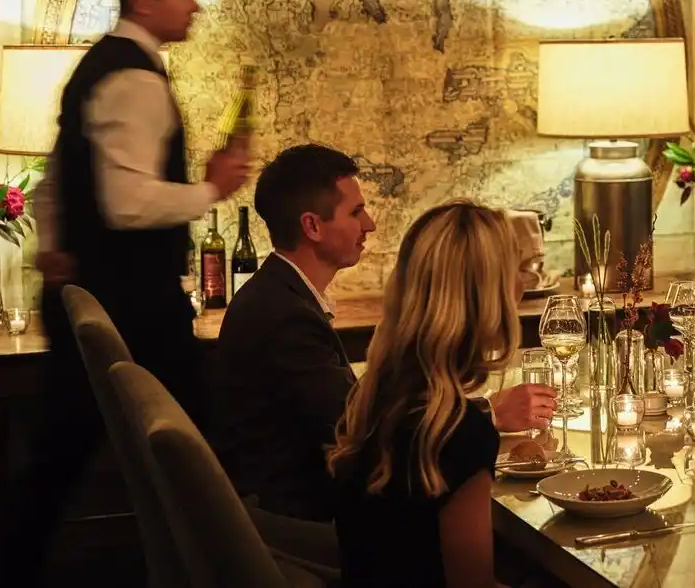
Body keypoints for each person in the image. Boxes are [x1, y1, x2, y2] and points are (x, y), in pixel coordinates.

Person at [11, 0, 250, 584]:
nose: (195, 6)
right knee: (194, 458)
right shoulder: (136, 80)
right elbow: (127, 203)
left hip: (101, 295)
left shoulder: (101, 66)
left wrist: (55, 246)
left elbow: (60, 172)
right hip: (135, 307)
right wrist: (212, 188)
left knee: (59, 460)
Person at [214, 145, 557, 525]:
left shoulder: (279, 295)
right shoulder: (283, 316)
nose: (371, 225)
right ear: (312, 226)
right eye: (356, 212)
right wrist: (487, 413)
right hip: (301, 529)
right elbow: (359, 429)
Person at [329, 201, 520, 588]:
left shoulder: (375, 398)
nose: (520, 284)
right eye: (513, 270)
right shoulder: (459, 433)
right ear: (489, 296)